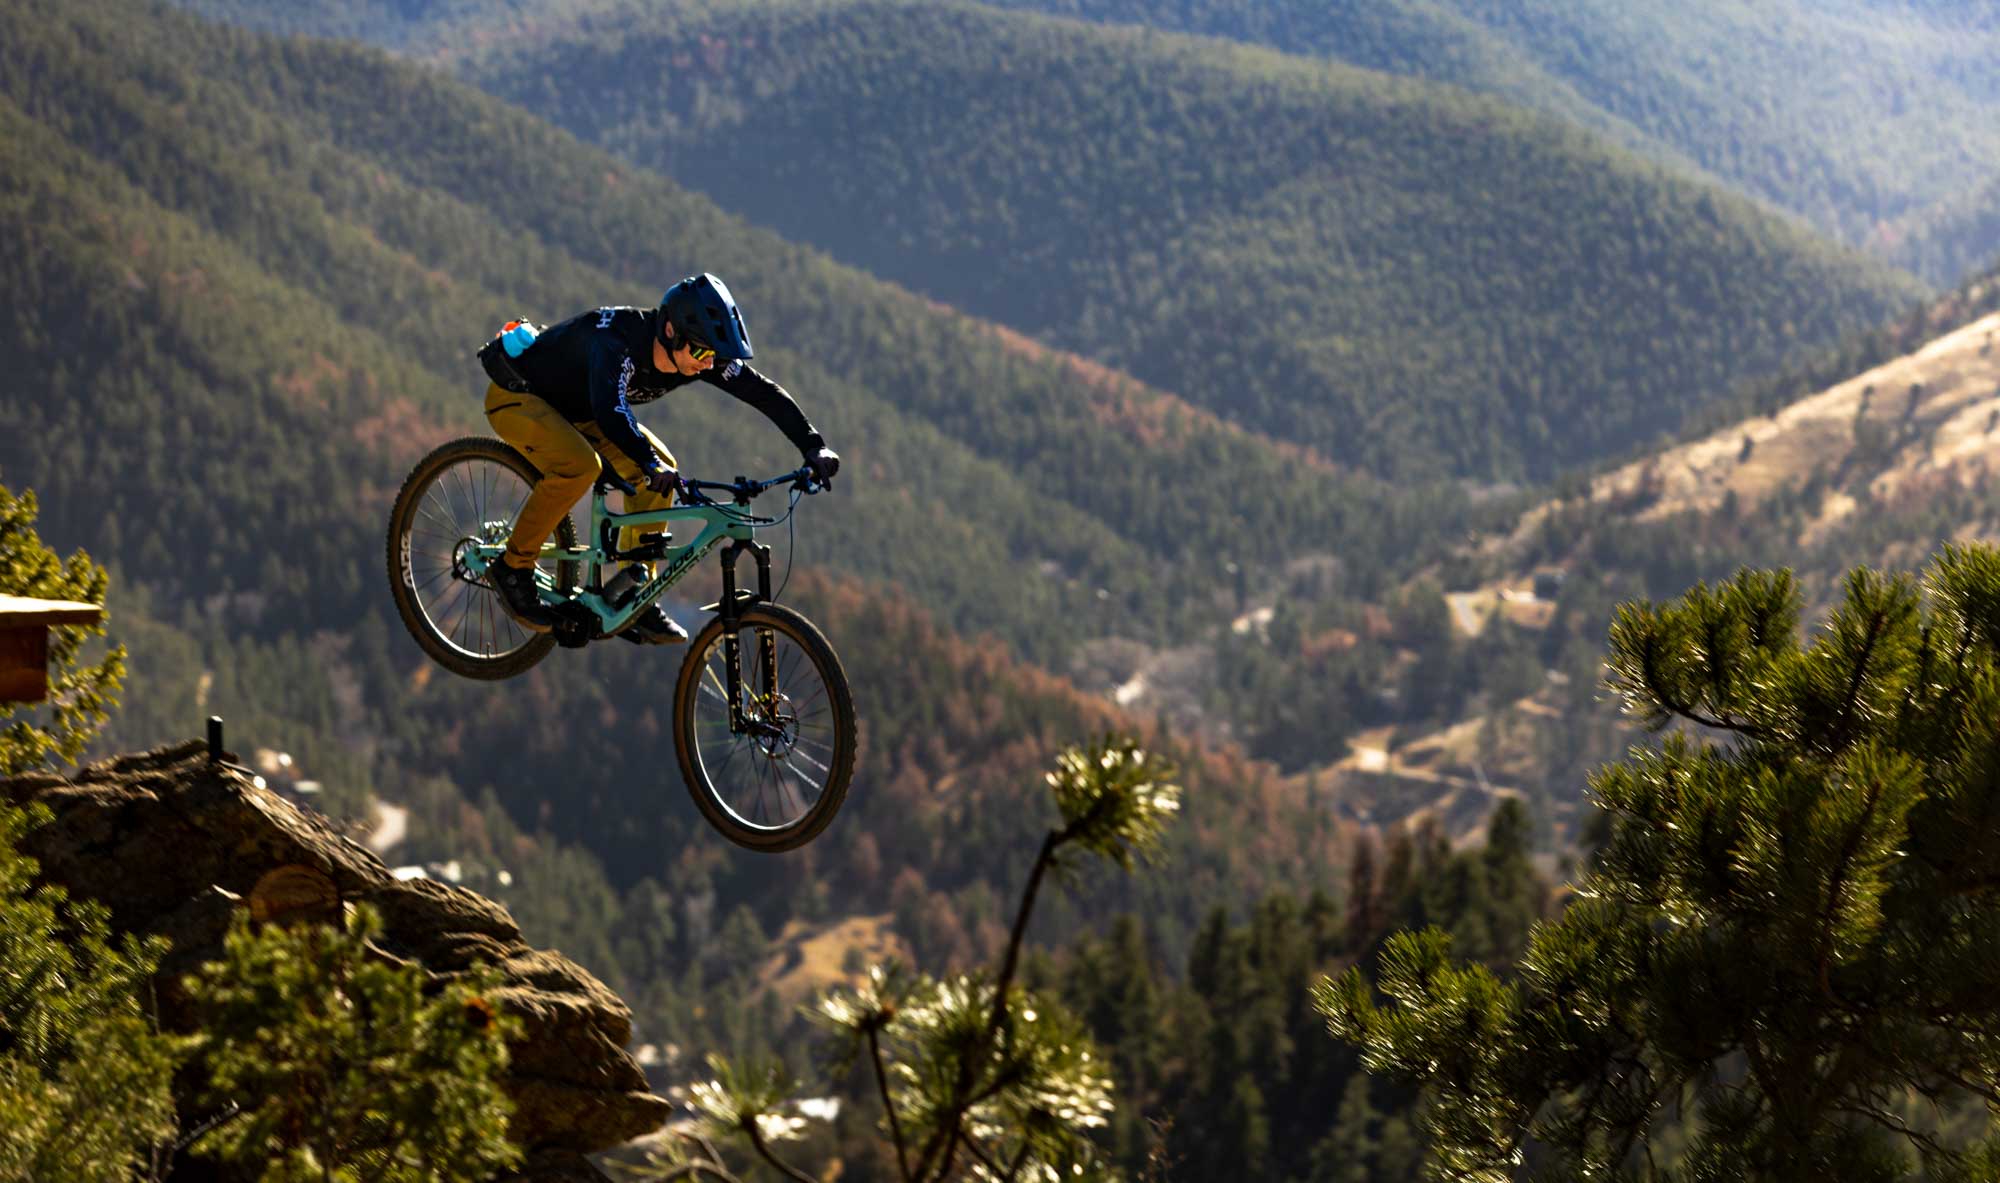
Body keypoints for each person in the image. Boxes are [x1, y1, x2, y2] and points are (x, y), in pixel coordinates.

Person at [480, 273, 840, 643]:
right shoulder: (616, 341)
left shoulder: (702, 357)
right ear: (670, 330)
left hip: (577, 411)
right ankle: (512, 567)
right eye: (701, 352)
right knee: (582, 467)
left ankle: (634, 591)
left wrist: (813, 445)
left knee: (658, 464)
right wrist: (650, 464)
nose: (707, 363)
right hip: (520, 396)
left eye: (714, 355)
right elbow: (611, 410)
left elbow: (763, 393)